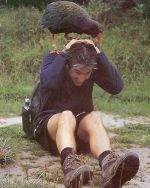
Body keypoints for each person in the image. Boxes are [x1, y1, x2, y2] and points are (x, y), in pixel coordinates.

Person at [31, 39, 139, 188]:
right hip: (50, 125)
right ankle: (71, 169)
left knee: (94, 117)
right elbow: (48, 83)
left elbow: (116, 86)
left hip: (78, 126)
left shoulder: (91, 69)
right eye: (77, 72)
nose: (81, 78)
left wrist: (99, 53)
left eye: (87, 73)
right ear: (67, 64)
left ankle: (110, 166)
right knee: (67, 115)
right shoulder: (53, 59)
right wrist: (63, 54)